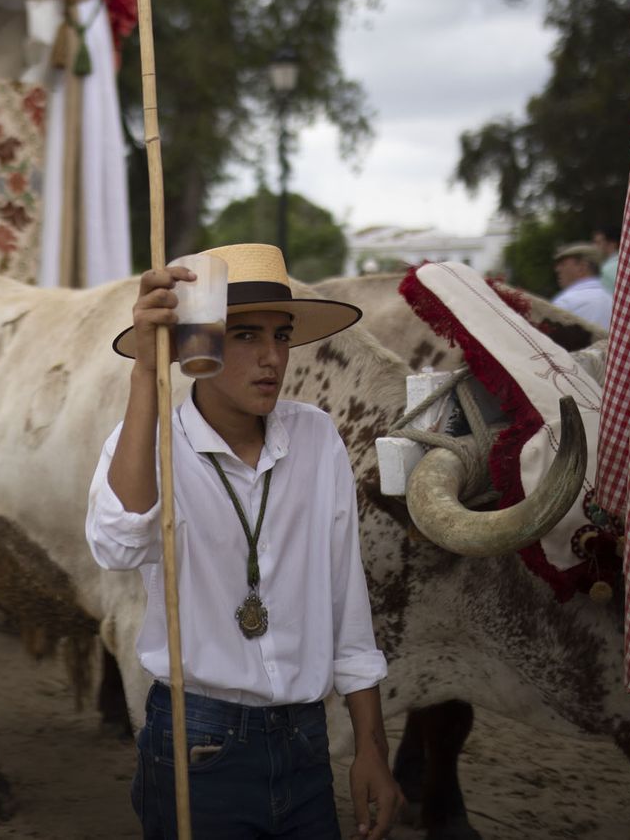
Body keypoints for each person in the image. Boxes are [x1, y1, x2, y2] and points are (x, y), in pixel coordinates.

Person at [88, 243, 403, 840]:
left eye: (281, 336)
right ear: (195, 346)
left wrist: (372, 747)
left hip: (306, 741)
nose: (272, 358)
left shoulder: (317, 439)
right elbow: (118, 545)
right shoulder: (150, 446)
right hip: (197, 745)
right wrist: (145, 373)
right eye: (244, 336)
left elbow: (347, 603)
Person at [551, 242, 612, 328]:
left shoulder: (566, 302)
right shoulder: (614, 300)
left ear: (582, 267)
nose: (557, 269)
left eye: (563, 264)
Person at [592, 224, 621, 294]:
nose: (594, 246)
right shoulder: (626, 262)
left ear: (612, 243)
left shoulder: (606, 269)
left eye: (598, 243)